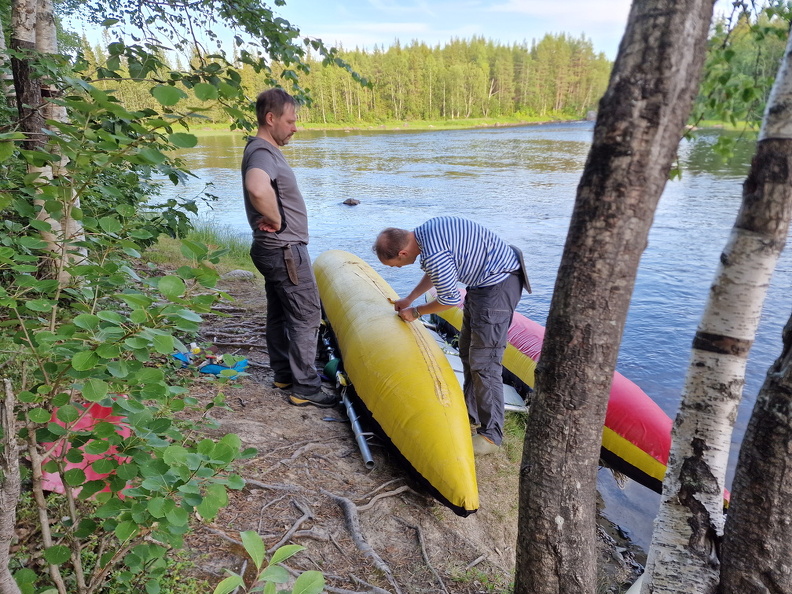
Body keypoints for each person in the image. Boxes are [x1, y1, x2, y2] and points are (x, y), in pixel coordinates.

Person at [373, 216, 530, 455]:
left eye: (394, 265)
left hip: (499, 283)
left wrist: (415, 312)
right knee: (468, 351)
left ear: (403, 253)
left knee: (484, 363)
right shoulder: (425, 233)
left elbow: (449, 299)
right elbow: (437, 274)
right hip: (483, 283)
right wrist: (410, 298)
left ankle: (491, 436)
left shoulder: (433, 254)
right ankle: (471, 413)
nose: (397, 268)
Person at [242, 88, 336, 408]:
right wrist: (277, 218)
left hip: (273, 249)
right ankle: (306, 388)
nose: (295, 127)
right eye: (290, 120)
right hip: (284, 250)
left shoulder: (261, 149)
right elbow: (257, 187)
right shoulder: (263, 153)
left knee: (281, 313)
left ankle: (284, 374)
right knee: (307, 314)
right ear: (271, 119)